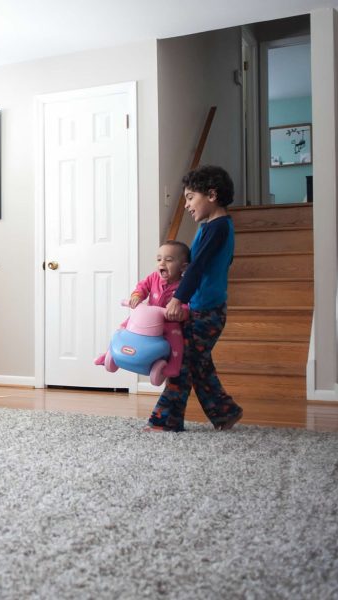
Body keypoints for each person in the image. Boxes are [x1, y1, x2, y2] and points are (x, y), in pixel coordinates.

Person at [146, 165, 244, 432]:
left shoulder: (217, 227)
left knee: (182, 364)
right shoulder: (210, 227)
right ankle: (225, 412)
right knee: (199, 366)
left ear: (211, 195)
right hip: (202, 308)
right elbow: (200, 265)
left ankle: (165, 420)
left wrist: (178, 298)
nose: (187, 204)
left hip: (207, 311)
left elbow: (199, 266)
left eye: (190, 197)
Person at [94, 240, 190, 379]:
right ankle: (110, 352)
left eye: (168, 260)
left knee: (176, 339)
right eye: (159, 259)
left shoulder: (184, 286)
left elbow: (186, 304)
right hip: (147, 318)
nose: (162, 263)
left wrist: (181, 313)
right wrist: (137, 296)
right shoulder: (153, 277)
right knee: (122, 328)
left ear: (183, 267)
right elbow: (142, 287)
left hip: (168, 322)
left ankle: (174, 365)